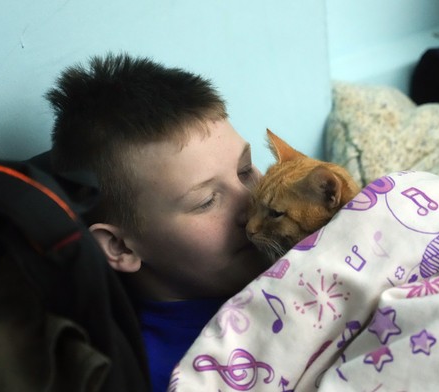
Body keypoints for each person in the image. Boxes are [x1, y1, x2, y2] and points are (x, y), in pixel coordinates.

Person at [46, 53, 272, 391]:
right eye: (207, 200)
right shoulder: (173, 374)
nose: (254, 208)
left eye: (244, 170)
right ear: (121, 247)